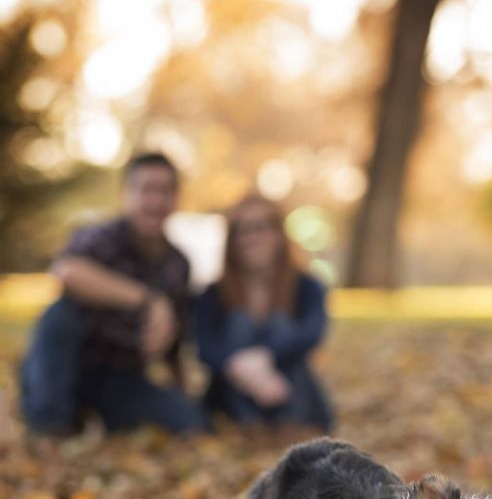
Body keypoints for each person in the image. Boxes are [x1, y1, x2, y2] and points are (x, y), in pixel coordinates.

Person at [21, 152, 206, 435]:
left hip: (121, 375)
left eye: (165, 191)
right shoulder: (101, 237)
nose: (156, 201)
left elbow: (174, 343)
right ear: (126, 194)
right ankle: (50, 422)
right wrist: (148, 299)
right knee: (59, 316)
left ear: (176, 197)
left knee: (188, 420)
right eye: (146, 190)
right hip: (71, 363)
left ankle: (88, 418)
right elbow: (67, 272)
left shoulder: (178, 263)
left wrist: (182, 396)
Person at [194, 194, 333, 431]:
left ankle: (290, 424)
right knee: (239, 323)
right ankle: (249, 425)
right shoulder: (212, 294)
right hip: (232, 398)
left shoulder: (307, 286)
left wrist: (264, 357)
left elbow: (312, 332)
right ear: (231, 240)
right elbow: (204, 347)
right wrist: (239, 367)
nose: (251, 238)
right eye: (242, 230)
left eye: (261, 228)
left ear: (279, 235)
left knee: (280, 325)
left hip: (291, 392)